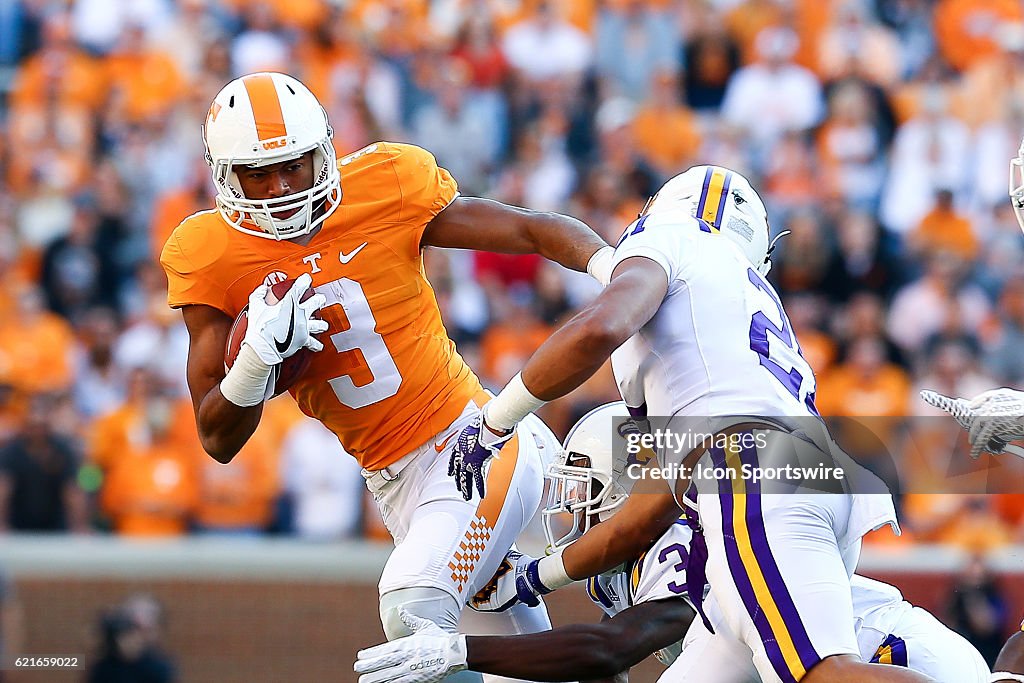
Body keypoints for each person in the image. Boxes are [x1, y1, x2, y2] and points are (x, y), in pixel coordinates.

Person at [158, 71, 613, 682]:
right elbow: (218, 438)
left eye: (294, 165)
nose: (281, 188)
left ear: (324, 148)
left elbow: (529, 228)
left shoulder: (385, 183)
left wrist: (615, 267)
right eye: (258, 174)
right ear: (222, 175)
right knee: (525, 668)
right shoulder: (208, 252)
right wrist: (256, 360)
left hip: (474, 444)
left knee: (412, 614)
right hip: (400, 487)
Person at [447, 165, 927, 683]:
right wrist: (531, 578)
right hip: (806, 468)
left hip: (746, 467)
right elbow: (650, 508)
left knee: (822, 676)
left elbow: (601, 327)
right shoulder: (731, 298)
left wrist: (495, 420)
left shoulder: (674, 239)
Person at [357, 403, 989, 683]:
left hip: (890, 663)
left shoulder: (684, 541)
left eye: (585, 487)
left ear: (624, 492)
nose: (569, 507)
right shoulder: (644, 565)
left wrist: (463, 649)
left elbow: (612, 649)